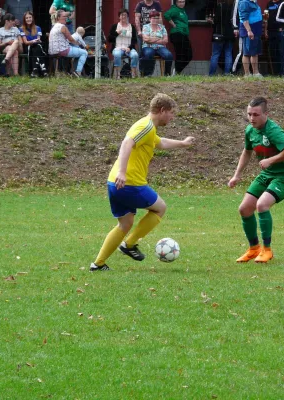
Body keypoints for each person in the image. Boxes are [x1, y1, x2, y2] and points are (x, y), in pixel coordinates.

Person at [90, 93, 195, 272]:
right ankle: (129, 245)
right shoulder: (145, 126)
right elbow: (126, 144)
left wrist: (183, 143)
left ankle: (98, 264)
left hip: (113, 182)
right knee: (160, 208)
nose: (172, 117)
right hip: (129, 182)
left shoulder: (148, 128)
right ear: (162, 110)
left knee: (125, 224)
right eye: (171, 113)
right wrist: (122, 172)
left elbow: (160, 143)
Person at [228, 97, 284, 264]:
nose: (252, 118)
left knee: (262, 205)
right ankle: (254, 249)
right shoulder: (250, 130)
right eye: (249, 114)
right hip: (267, 175)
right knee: (244, 209)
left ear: (266, 114)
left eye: (256, 115)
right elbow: (247, 152)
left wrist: (270, 160)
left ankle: (267, 250)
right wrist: (237, 175)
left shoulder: (273, 130)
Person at [48, 10, 87, 77]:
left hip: (52, 51)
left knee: (77, 51)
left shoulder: (53, 27)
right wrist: (79, 44)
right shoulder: (63, 27)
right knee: (84, 52)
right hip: (62, 50)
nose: (66, 17)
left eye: (66, 16)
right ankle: (78, 73)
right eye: (64, 16)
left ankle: (74, 72)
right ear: (58, 18)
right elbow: (71, 39)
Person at [140, 10, 173, 76]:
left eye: (157, 18)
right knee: (149, 53)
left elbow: (165, 41)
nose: (155, 20)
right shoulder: (146, 27)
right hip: (148, 46)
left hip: (160, 47)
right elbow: (146, 39)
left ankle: (167, 74)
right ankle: (147, 74)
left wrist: (151, 39)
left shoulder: (162, 27)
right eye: (153, 18)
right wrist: (159, 38)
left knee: (169, 55)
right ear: (150, 19)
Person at [109, 8, 138, 79]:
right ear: (119, 17)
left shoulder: (132, 27)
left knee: (135, 55)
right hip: (117, 48)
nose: (123, 17)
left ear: (128, 17)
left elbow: (134, 40)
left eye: (125, 15)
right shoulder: (115, 26)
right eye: (122, 15)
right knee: (117, 54)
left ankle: (133, 74)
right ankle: (117, 75)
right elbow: (109, 39)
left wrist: (129, 48)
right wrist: (116, 33)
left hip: (129, 48)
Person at [164, 0, 192, 75]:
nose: (181, 3)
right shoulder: (175, 9)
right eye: (179, 2)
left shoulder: (182, 11)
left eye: (183, 2)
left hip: (184, 34)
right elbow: (166, 15)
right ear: (176, 3)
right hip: (177, 34)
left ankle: (177, 71)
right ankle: (176, 72)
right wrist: (173, 24)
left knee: (189, 55)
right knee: (180, 54)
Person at [208, 0, 235, 75]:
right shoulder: (234, 7)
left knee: (215, 54)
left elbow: (216, 21)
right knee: (228, 53)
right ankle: (227, 73)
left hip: (219, 33)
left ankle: (211, 74)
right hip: (230, 34)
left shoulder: (220, 6)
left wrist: (211, 20)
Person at [238, 0, 263, 77]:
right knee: (250, 53)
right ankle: (253, 73)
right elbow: (244, 18)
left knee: (253, 52)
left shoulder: (253, 2)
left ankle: (251, 73)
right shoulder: (244, 2)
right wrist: (249, 31)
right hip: (250, 31)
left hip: (255, 31)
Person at [20, 11, 47, 77]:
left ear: (32, 18)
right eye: (26, 18)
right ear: (24, 19)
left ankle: (35, 70)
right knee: (35, 48)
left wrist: (35, 41)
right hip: (28, 46)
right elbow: (25, 42)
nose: (28, 19)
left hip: (37, 45)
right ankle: (43, 70)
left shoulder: (38, 28)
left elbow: (38, 39)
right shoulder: (21, 29)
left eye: (30, 17)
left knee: (37, 48)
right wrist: (33, 41)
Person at [264, 0, 283, 76]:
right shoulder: (269, 4)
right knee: (272, 52)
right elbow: (266, 18)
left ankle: (281, 72)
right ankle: (273, 72)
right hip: (270, 32)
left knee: (280, 52)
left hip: (280, 31)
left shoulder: (283, 3)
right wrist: (265, 30)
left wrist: (283, 27)